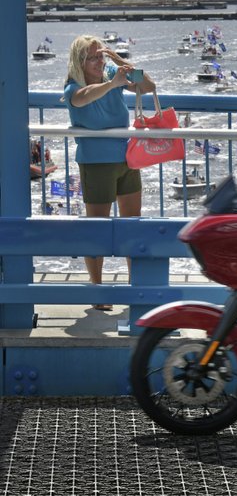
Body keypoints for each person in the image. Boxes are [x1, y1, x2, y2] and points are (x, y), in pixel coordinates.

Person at [63, 34, 157, 311]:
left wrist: (121, 62)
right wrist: (112, 83)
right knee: (98, 228)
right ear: (79, 61)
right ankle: (98, 288)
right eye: (92, 57)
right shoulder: (73, 86)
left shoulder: (113, 71)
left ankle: (134, 285)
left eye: (100, 55)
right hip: (95, 163)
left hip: (126, 159)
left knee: (132, 224)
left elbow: (149, 86)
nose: (98, 61)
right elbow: (81, 99)